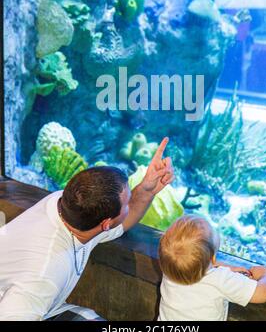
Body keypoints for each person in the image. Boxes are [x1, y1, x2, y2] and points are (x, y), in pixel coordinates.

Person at [0, 137, 174, 321]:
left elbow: (124, 220)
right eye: (126, 204)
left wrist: (148, 189)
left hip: (42, 305)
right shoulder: (46, 272)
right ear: (105, 223)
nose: (129, 205)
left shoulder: (70, 205)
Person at [158, 215, 266, 321]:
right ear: (213, 258)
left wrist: (230, 268)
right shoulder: (220, 280)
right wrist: (264, 273)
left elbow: (196, 264)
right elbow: (264, 293)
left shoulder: (170, 270)